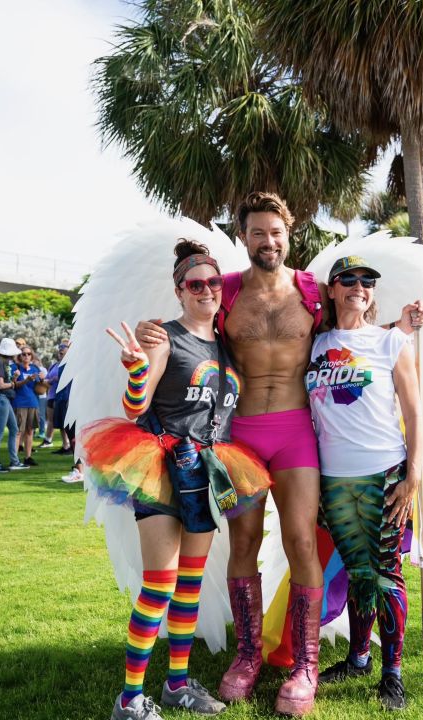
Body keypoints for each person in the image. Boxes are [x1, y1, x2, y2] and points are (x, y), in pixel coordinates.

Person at [136, 192, 423, 716]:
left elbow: (352, 332)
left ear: (288, 235)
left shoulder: (311, 291)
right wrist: (149, 333)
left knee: (300, 540)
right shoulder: (221, 290)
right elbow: (188, 325)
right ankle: (247, 655)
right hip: (239, 434)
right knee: (244, 539)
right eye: (256, 233)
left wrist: (400, 330)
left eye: (276, 232)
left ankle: (306, 665)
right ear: (242, 237)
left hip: (296, 434)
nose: (267, 242)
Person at [84, 239, 271, 720]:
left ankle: (177, 685)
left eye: (212, 282)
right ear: (179, 290)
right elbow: (137, 406)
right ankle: (128, 700)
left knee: (189, 585)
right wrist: (135, 369)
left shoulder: (226, 344)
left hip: (210, 471)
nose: (205, 289)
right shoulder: (164, 337)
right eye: (195, 284)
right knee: (160, 586)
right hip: (163, 467)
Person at [306, 257, 422, 711]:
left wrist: (415, 471)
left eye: (368, 281)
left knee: (386, 572)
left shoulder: (392, 341)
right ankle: (358, 658)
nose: (359, 286)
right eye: (348, 280)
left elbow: (413, 412)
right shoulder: (314, 343)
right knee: (359, 572)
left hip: (384, 473)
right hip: (333, 479)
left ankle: (392, 672)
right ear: (331, 290)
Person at [0, 338, 25, 473]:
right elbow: (0, 385)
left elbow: (5, 382)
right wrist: (13, 383)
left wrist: (13, 378)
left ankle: (14, 461)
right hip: (1, 398)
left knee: (14, 430)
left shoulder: (3, 362)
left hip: (4, 399)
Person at [11, 347, 43, 467]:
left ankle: (28, 457)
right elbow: (13, 384)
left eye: (29, 354)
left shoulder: (35, 368)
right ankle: (14, 459)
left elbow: (40, 386)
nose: (26, 356)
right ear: (19, 356)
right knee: (18, 432)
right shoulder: (15, 368)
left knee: (30, 431)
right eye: (23, 354)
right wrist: (26, 380)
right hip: (19, 403)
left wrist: (43, 379)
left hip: (33, 402)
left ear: (32, 356)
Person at [43, 341, 69, 449]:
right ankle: (64, 445)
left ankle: (68, 445)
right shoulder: (54, 365)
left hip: (65, 396)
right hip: (53, 395)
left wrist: (55, 379)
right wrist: (45, 380)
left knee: (64, 422)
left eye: (64, 348)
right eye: (60, 350)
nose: (61, 350)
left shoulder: (69, 364)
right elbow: (47, 378)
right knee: (56, 422)